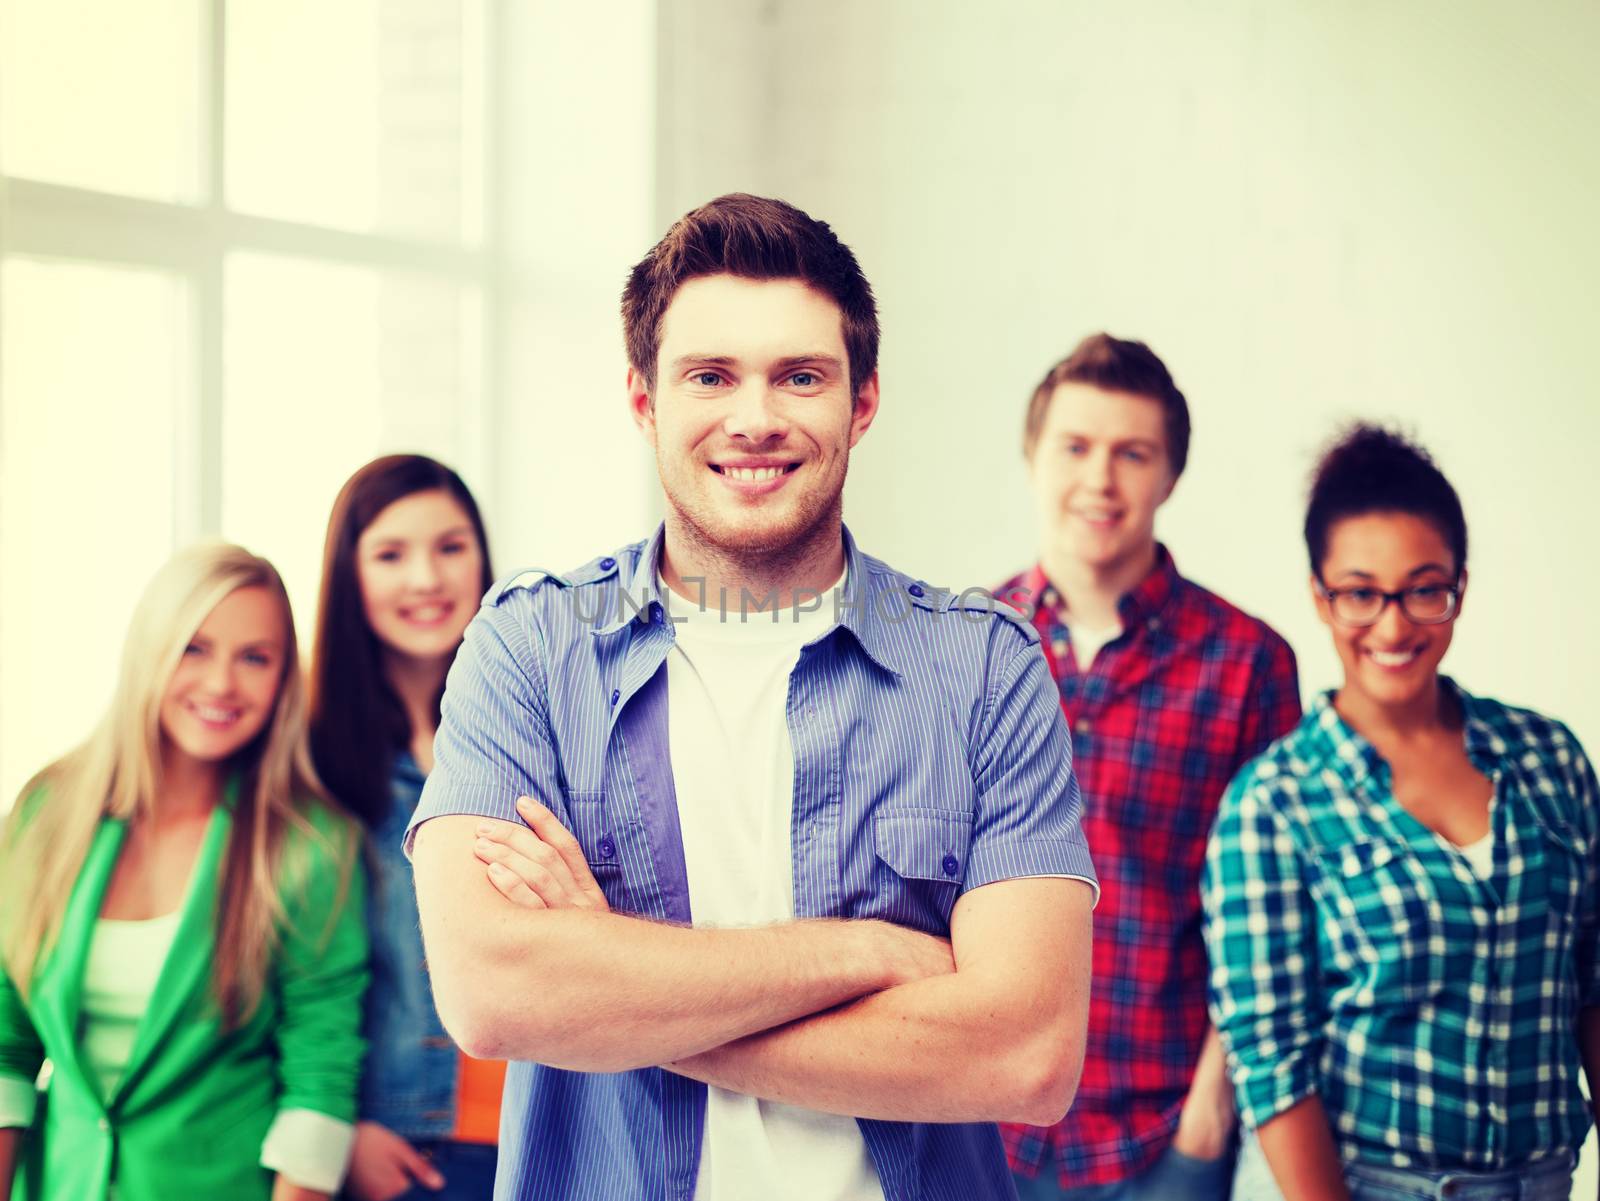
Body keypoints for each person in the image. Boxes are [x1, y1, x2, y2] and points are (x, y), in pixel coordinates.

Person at [405, 192, 1099, 1201]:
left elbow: (1025, 1058)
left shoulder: (984, 670)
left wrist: (617, 989)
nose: (755, 418)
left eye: (800, 376)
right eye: (710, 375)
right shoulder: (528, 650)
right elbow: (493, 996)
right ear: (645, 400)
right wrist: (861, 954)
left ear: (861, 403)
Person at [1203, 425, 1600, 1201]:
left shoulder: (1550, 757)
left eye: (1424, 588)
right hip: (1358, 1184)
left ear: (1461, 585)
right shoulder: (1273, 802)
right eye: (1360, 592)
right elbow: (1272, 1062)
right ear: (1320, 593)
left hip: (1545, 1180)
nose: (1392, 626)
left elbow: (1592, 979)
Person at [996, 334, 1301, 1201]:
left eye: (1133, 454)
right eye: (1077, 447)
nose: (1102, 480)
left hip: (1164, 1142)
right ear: (1033, 458)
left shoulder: (1248, 663)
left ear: (1169, 477)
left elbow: (1269, 921)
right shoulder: (964, 647)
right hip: (985, 1131)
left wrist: (1208, 1120)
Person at [0, 542, 368, 1201]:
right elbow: (6, 1048)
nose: (222, 682)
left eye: (255, 657)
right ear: (149, 650)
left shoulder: (312, 845)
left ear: (284, 678)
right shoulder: (46, 811)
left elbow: (318, 1087)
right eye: (195, 647)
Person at [308, 454, 499, 1201]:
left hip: (543, 1128)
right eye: (391, 554)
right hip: (399, 1145)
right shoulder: (307, 751)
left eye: (451, 547)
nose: (427, 578)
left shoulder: (538, 727)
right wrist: (341, 1130)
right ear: (349, 575)